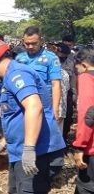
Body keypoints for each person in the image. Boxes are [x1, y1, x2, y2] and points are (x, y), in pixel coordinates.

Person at [0, 38, 65, 194]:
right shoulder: (10, 76)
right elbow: (18, 115)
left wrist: (29, 149)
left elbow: (34, 106)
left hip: (37, 153)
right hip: (20, 152)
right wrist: (3, 143)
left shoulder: (17, 74)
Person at [15, 26, 62, 122]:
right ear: (23, 41)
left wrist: (55, 108)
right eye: (27, 44)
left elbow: (55, 84)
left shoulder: (51, 58)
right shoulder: (18, 59)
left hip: (43, 106)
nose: (30, 46)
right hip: (22, 105)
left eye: (34, 43)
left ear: (41, 41)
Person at [72, 46, 94, 194]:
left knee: (86, 186)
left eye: (77, 69)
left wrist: (79, 146)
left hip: (92, 148)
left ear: (84, 65)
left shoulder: (86, 78)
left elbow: (88, 114)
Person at [62, 34, 77, 143]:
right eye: (65, 44)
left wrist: (75, 93)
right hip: (55, 90)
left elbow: (75, 75)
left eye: (69, 45)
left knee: (67, 116)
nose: (67, 46)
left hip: (68, 91)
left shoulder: (75, 57)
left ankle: (63, 139)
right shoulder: (54, 56)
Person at [55, 43, 71, 133]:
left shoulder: (48, 73)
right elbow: (67, 88)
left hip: (53, 109)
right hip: (61, 109)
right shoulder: (65, 74)